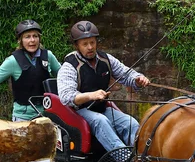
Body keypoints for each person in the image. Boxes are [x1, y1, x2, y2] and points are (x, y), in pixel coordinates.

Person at [57, 20, 150, 153]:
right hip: (78, 111)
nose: (90, 47)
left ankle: (140, 159)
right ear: (76, 45)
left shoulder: (106, 59)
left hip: (101, 109)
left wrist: (137, 79)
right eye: (85, 44)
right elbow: (66, 97)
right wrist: (91, 95)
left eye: (92, 42)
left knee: (131, 123)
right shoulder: (69, 66)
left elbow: (126, 74)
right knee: (101, 121)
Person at [0, 20, 61, 121]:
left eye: (35, 36)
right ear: (20, 40)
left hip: (47, 115)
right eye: (27, 37)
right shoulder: (13, 61)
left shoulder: (48, 56)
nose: (32, 40)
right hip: (23, 117)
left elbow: (64, 77)